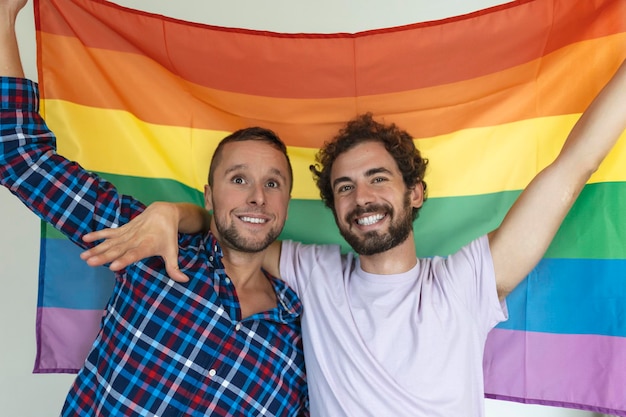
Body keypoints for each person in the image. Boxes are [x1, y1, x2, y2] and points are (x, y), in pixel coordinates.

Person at [84, 48, 626, 417]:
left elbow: (573, 165)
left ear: (414, 193)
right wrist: (177, 214)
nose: (362, 198)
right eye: (343, 187)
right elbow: (239, 223)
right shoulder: (313, 273)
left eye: (377, 179)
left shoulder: (466, 282)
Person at [0, 1, 309, 416]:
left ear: (286, 204)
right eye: (238, 179)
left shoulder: (301, 333)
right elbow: (19, 155)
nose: (257, 196)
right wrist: (4, 18)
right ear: (209, 196)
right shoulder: (147, 241)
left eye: (273, 183)